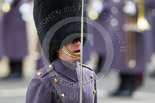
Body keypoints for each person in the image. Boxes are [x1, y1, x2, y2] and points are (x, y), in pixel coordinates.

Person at [26, 0, 97, 103]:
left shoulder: (89, 76)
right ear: (58, 44)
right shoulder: (43, 81)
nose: (78, 43)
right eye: (72, 40)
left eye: (79, 39)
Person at [84, 0, 154, 96]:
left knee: (132, 54)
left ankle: (129, 84)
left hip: (132, 20)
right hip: (117, 20)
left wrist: (137, 7)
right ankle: (122, 84)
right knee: (119, 56)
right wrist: (103, 5)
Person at [0, 0, 30, 79]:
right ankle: (12, 70)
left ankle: (17, 70)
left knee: (17, 43)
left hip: (17, 15)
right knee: (10, 45)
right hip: (9, 16)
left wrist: (24, 3)